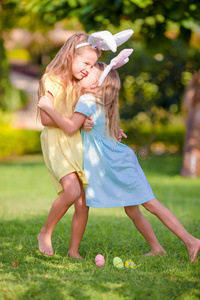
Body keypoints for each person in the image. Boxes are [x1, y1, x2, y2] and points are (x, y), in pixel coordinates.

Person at [38, 50, 200, 262]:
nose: (83, 75)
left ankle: (191, 241)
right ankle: (157, 248)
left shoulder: (87, 100)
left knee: (150, 205)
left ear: (97, 83)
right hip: (120, 162)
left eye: (89, 75)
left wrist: (49, 108)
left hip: (116, 165)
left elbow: (69, 127)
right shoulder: (101, 103)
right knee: (133, 210)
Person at [37, 31, 133, 258]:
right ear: (70, 55)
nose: (88, 70)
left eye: (92, 66)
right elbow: (45, 118)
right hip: (57, 143)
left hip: (79, 145)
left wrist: (102, 126)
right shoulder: (50, 79)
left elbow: (89, 111)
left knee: (82, 201)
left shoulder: (80, 82)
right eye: (86, 63)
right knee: (71, 190)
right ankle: (45, 232)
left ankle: (74, 252)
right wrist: (77, 123)